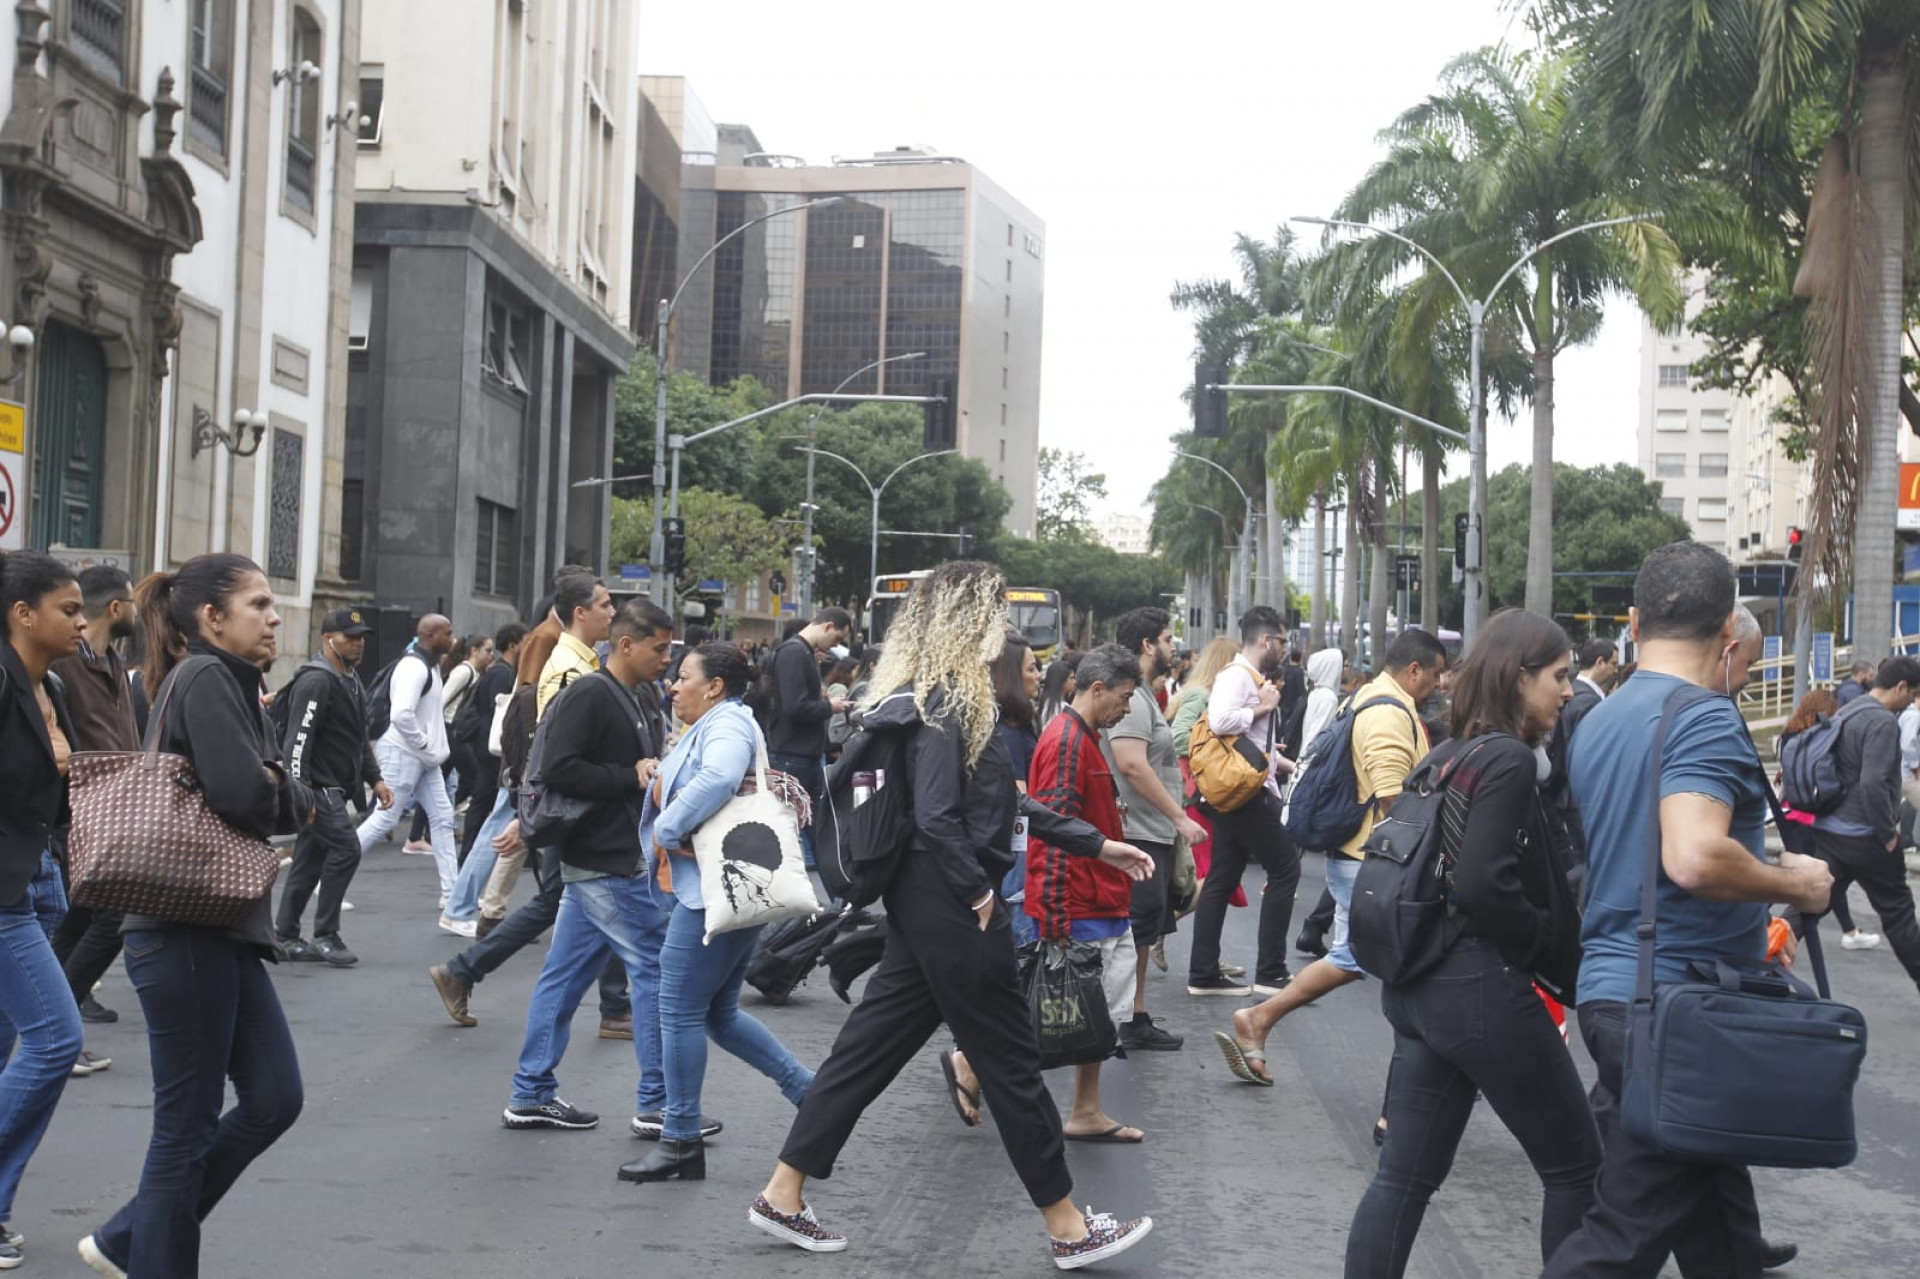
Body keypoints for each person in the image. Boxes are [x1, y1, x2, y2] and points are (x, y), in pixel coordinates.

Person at [753, 562, 1157, 1268]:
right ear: (972, 614)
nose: (1005, 620)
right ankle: (1067, 1225)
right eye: (997, 606)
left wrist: (1097, 843)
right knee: (1008, 1058)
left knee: (866, 1050)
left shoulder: (933, 692)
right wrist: (977, 895)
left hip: (922, 896)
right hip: (949, 899)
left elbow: (1000, 805)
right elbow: (940, 819)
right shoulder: (952, 699)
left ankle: (782, 1192)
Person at [1542, 542, 1834, 1278]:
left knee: (1724, 1239)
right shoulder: (1701, 717)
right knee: (1619, 1239)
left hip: (1627, 992)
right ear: (1729, 633)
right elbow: (1694, 856)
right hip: (1675, 1008)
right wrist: (1794, 884)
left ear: (1635, 621)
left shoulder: (1603, 718)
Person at [81, 553, 317, 1278]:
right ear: (212, 618)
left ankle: (129, 1237)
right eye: (259, 603)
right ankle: (149, 1255)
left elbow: (260, 784)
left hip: (220, 928)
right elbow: (249, 795)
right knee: (181, 1129)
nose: (275, 617)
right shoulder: (210, 676)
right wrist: (292, 791)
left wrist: (280, 783)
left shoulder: (233, 681)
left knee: (275, 1096)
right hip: (184, 932)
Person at [1343, 610, 1596, 1278]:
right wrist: (1542, 939)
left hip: (1419, 985)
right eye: (1559, 676)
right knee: (1578, 1167)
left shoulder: (1447, 753)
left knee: (1402, 1179)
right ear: (1518, 679)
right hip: (1480, 988)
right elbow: (1484, 882)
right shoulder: (1509, 760)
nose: (1568, 691)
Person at [1217, 628, 1443, 1084]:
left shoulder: (1366, 698)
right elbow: (1392, 801)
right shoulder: (1388, 713)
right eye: (1436, 676)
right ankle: (1423, 1078)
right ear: (1414, 669)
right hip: (1374, 862)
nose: (1439, 686)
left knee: (1375, 960)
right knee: (1395, 963)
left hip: (1361, 859)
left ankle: (1260, 1020)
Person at [623, 642, 814, 1182]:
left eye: (684, 677)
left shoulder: (727, 723)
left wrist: (667, 826)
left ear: (714, 686)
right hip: (730, 885)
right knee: (718, 1014)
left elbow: (720, 778)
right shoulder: (721, 721)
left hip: (714, 891)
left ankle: (680, 1138)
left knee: (679, 1009)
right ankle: (812, 1093)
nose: (673, 685)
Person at [431, 576, 636, 1035]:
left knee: (579, 901)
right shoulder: (567, 669)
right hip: (570, 809)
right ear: (581, 612)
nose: (611, 611)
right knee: (574, 899)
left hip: (574, 807)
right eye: (604, 604)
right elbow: (557, 753)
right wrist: (531, 816)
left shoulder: (581, 661)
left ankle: (613, 1005)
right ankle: (611, 1006)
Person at [502, 599, 675, 1136]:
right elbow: (560, 770)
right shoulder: (589, 694)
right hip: (603, 859)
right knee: (652, 968)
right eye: (659, 648)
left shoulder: (642, 695)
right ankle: (657, 1103)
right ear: (626, 644)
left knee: (564, 976)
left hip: (612, 857)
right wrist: (630, 775)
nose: (667, 659)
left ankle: (530, 1093)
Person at [1011, 643, 1155, 1143]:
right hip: (1080, 903)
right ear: (1098, 689)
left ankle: (1087, 1108)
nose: (1128, 707)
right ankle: (972, 1066)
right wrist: (1054, 916)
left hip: (1100, 899)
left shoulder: (1082, 737)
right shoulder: (1068, 742)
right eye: (1124, 696)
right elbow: (1051, 832)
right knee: (1065, 1011)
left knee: (1091, 1017)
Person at [0, 551, 88, 1270]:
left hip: (36, 878)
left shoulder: (50, 681)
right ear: (22, 613)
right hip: (1, 894)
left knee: (8, 1048)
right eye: (68, 607)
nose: (81, 619)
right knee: (57, 1039)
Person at [1187, 606, 1303, 997]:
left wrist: (1282, 761)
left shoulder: (1252, 677)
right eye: (1283, 641)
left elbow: (1248, 743)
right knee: (1285, 868)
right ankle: (1271, 972)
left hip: (1244, 789)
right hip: (1245, 795)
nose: (1285, 649)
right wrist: (1263, 707)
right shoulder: (1238, 676)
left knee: (1221, 876)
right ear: (1266, 640)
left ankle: (1203, 973)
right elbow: (1220, 721)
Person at [48, 565, 139, 1044]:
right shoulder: (65, 664)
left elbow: (125, 733)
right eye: (132, 601)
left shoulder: (113, 663)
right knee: (114, 915)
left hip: (120, 809)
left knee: (79, 916)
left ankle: (60, 1007)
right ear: (115, 608)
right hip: (82, 812)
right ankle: (59, 1016)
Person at [1105, 608, 1204, 1051]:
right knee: (1130, 932)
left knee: (1143, 932)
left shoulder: (1144, 694)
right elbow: (1131, 763)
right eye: (1167, 638)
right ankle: (1113, 1019)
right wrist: (1179, 815)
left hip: (1154, 831)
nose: (1173, 646)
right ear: (1148, 645)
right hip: (1139, 832)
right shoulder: (1132, 698)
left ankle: (1134, 1015)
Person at [274, 609, 395, 965]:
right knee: (346, 850)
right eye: (350, 637)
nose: (358, 643)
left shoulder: (350, 678)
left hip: (334, 787)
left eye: (360, 637)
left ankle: (286, 935)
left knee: (309, 862)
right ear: (329, 639)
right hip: (318, 788)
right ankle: (325, 934)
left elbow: (357, 737)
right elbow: (297, 743)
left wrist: (376, 779)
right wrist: (300, 794)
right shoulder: (318, 680)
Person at [1808, 656, 1920, 993]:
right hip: (1867, 837)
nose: (1912, 700)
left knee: (1811, 902)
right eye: (1913, 693)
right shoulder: (1883, 722)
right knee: (1899, 916)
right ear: (1901, 687)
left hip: (1831, 829)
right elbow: (1873, 783)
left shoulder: (1849, 710)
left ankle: (1766, 952)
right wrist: (1888, 834)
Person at [354, 614, 458, 908]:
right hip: (405, 753)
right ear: (429, 636)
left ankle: (453, 895)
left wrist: (427, 749)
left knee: (443, 818)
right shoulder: (414, 666)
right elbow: (401, 714)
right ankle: (328, 877)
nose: (451, 638)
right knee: (385, 818)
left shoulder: (430, 665)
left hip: (422, 757)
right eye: (446, 633)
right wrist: (424, 744)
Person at [765, 607, 853, 864]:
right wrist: (830, 707)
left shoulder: (802, 653)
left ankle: (841, 895)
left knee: (815, 830)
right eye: (837, 638)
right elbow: (796, 706)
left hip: (801, 755)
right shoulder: (794, 653)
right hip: (794, 757)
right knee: (798, 831)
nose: (835, 645)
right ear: (827, 626)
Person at [1292, 648, 1350, 960]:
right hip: (1318, 773)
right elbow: (1322, 739)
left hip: (1306, 769)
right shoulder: (1328, 698)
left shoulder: (1318, 695)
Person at [453, 622, 525, 868]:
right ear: (514, 645)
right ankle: (472, 854)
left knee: (484, 801)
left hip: (486, 746)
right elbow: (498, 712)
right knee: (487, 803)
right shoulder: (503, 674)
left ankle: (470, 854)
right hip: (491, 748)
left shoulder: (498, 671)